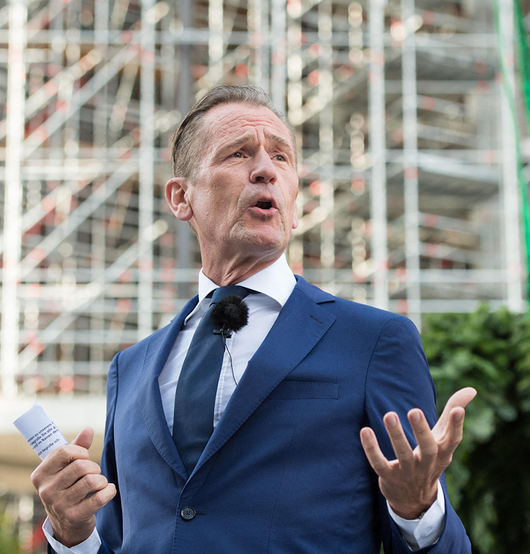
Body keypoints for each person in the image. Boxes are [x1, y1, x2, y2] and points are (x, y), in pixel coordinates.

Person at [30, 85, 476, 554]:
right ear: (182, 198)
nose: (265, 170)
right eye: (238, 153)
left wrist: (419, 509)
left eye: (281, 158)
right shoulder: (131, 369)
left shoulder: (374, 341)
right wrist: (71, 536)